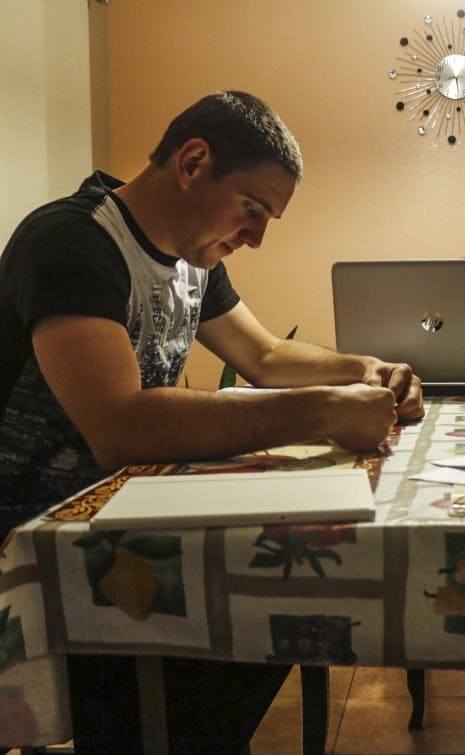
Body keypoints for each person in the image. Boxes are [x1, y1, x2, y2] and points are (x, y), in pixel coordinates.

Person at [0, 90, 424, 752]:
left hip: (121, 516)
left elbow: (264, 354)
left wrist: (365, 369)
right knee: (259, 618)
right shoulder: (71, 242)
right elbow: (119, 425)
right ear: (193, 162)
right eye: (253, 210)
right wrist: (320, 411)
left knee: (287, 601)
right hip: (33, 539)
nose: (255, 236)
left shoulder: (194, 256)